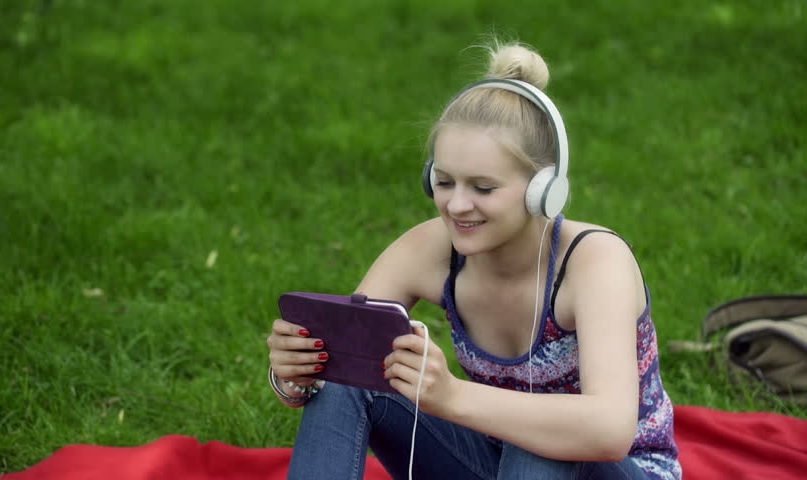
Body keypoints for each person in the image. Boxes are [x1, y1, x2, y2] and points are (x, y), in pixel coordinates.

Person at [266, 40, 681, 480]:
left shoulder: (595, 262)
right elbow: (346, 356)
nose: (457, 205)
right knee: (352, 383)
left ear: (544, 190)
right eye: (444, 182)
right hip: (496, 460)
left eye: (483, 188)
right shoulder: (429, 249)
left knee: (541, 443)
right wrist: (299, 373)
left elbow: (609, 431)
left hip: (617, 468)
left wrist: (451, 397)